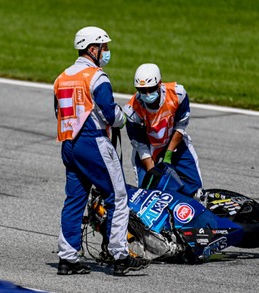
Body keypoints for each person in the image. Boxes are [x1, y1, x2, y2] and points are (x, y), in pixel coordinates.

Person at [53, 26, 150, 276]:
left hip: (69, 144)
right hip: (93, 142)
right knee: (118, 197)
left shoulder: (62, 77)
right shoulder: (97, 76)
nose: (106, 52)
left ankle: (67, 257)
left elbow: (58, 111)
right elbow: (112, 114)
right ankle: (119, 255)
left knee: (74, 200)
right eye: (104, 47)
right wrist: (122, 118)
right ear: (92, 49)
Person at [123, 63, 203, 198]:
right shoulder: (131, 110)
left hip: (174, 141)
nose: (147, 94)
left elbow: (181, 125)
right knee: (147, 196)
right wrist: (152, 170)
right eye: (142, 90)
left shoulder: (178, 94)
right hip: (148, 150)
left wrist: (169, 153)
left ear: (159, 84)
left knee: (196, 190)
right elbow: (139, 144)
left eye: (151, 89)